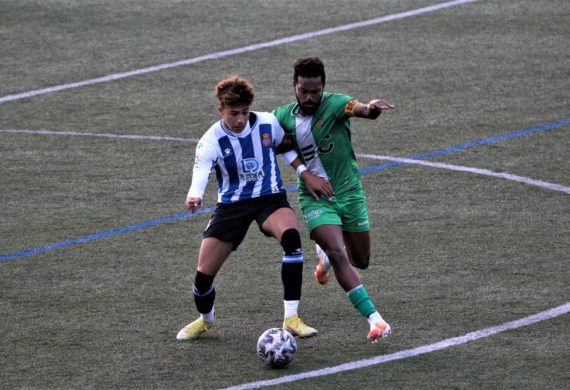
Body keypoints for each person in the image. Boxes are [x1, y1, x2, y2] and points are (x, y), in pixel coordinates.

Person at [177, 75, 327, 341]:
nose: (240, 119)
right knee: (203, 278)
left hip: (269, 198)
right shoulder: (210, 140)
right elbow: (201, 170)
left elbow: (285, 148)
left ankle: (291, 317)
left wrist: (304, 173)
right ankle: (205, 321)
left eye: (245, 112)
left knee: (291, 239)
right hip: (231, 206)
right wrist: (194, 195)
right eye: (233, 113)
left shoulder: (268, 122)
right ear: (220, 110)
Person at [273, 56, 395, 343]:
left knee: (360, 260)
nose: (309, 97)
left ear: (323, 88)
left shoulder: (338, 103)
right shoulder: (280, 116)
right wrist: (304, 174)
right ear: (294, 87)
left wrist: (372, 109)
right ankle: (375, 320)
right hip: (316, 198)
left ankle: (325, 254)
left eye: (315, 91)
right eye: (303, 90)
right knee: (342, 256)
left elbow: (361, 109)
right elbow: (270, 141)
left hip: (350, 193)